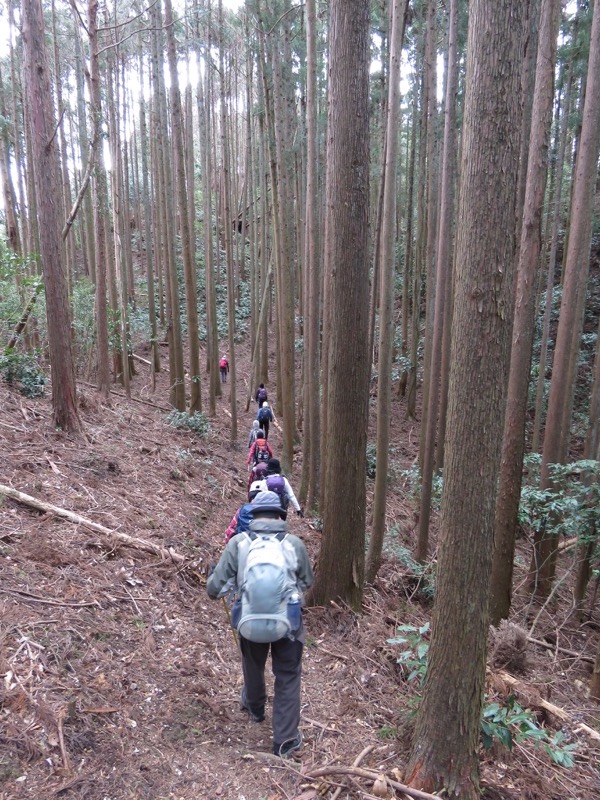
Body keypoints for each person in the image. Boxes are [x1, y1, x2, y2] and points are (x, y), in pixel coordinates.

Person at [206, 491, 314, 758]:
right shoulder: (294, 544)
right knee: (288, 675)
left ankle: (255, 707)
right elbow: (307, 582)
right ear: (280, 515)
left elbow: (214, 589)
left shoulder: (239, 543)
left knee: (253, 663)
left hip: (250, 620)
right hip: (287, 623)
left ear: (253, 516)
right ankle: (286, 741)